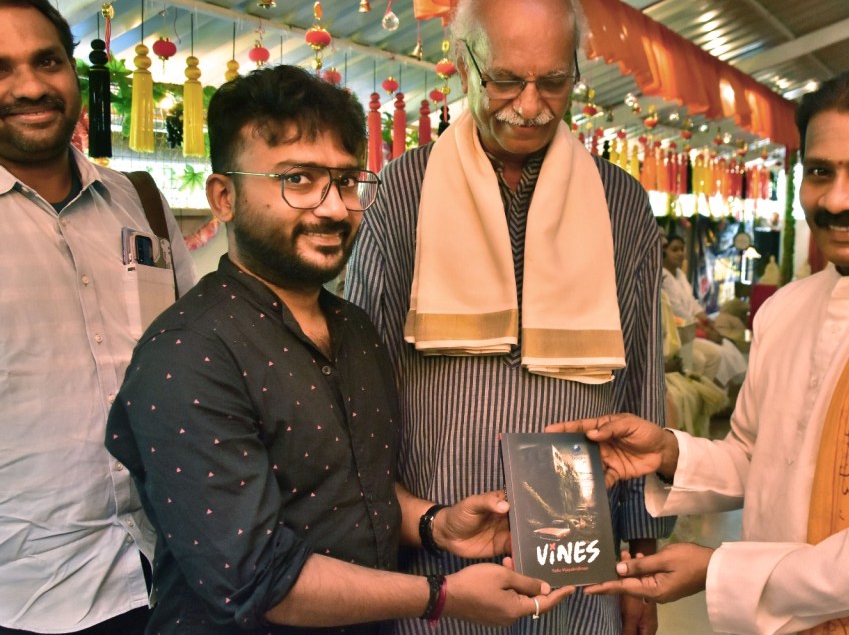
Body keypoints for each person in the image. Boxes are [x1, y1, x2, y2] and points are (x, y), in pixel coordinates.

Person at [550, 64, 849, 634]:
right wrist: (669, 453)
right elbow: (763, 459)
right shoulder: (786, 309)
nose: (838, 200)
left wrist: (722, 570)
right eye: (820, 172)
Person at [105, 65, 571, 634]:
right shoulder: (187, 355)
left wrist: (436, 525)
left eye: (347, 181)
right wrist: (442, 596)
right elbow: (255, 579)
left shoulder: (355, 328)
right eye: (298, 179)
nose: (332, 207)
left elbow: (354, 489)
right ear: (224, 197)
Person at [346, 0, 673, 632]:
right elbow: (361, 385)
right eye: (504, 80)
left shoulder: (618, 202)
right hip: (438, 552)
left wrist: (642, 556)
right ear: (462, 62)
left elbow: (642, 377)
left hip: (579, 559)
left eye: (553, 82)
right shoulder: (404, 191)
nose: (529, 106)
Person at [0, 0, 196, 634]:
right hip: (27, 598)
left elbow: (194, 358)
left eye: (47, 61)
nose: (31, 87)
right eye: (1, 70)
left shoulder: (140, 202)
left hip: (175, 574)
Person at [661, 234, 747, 387]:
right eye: (675, 250)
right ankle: (709, 393)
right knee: (717, 354)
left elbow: (692, 303)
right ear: (664, 252)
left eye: (682, 249)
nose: (680, 253)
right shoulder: (663, 277)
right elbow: (678, 311)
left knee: (728, 346)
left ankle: (724, 392)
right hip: (681, 332)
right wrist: (704, 329)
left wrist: (707, 320)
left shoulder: (680, 274)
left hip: (694, 326)